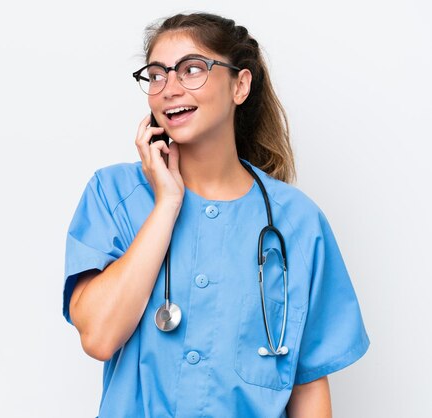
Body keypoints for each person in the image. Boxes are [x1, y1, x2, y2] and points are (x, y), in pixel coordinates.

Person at [62, 12, 369, 418]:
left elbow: (308, 387)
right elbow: (99, 337)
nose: (169, 88)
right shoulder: (113, 195)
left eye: (192, 70)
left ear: (239, 85)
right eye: (156, 75)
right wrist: (167, 204)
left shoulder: (297, 223)